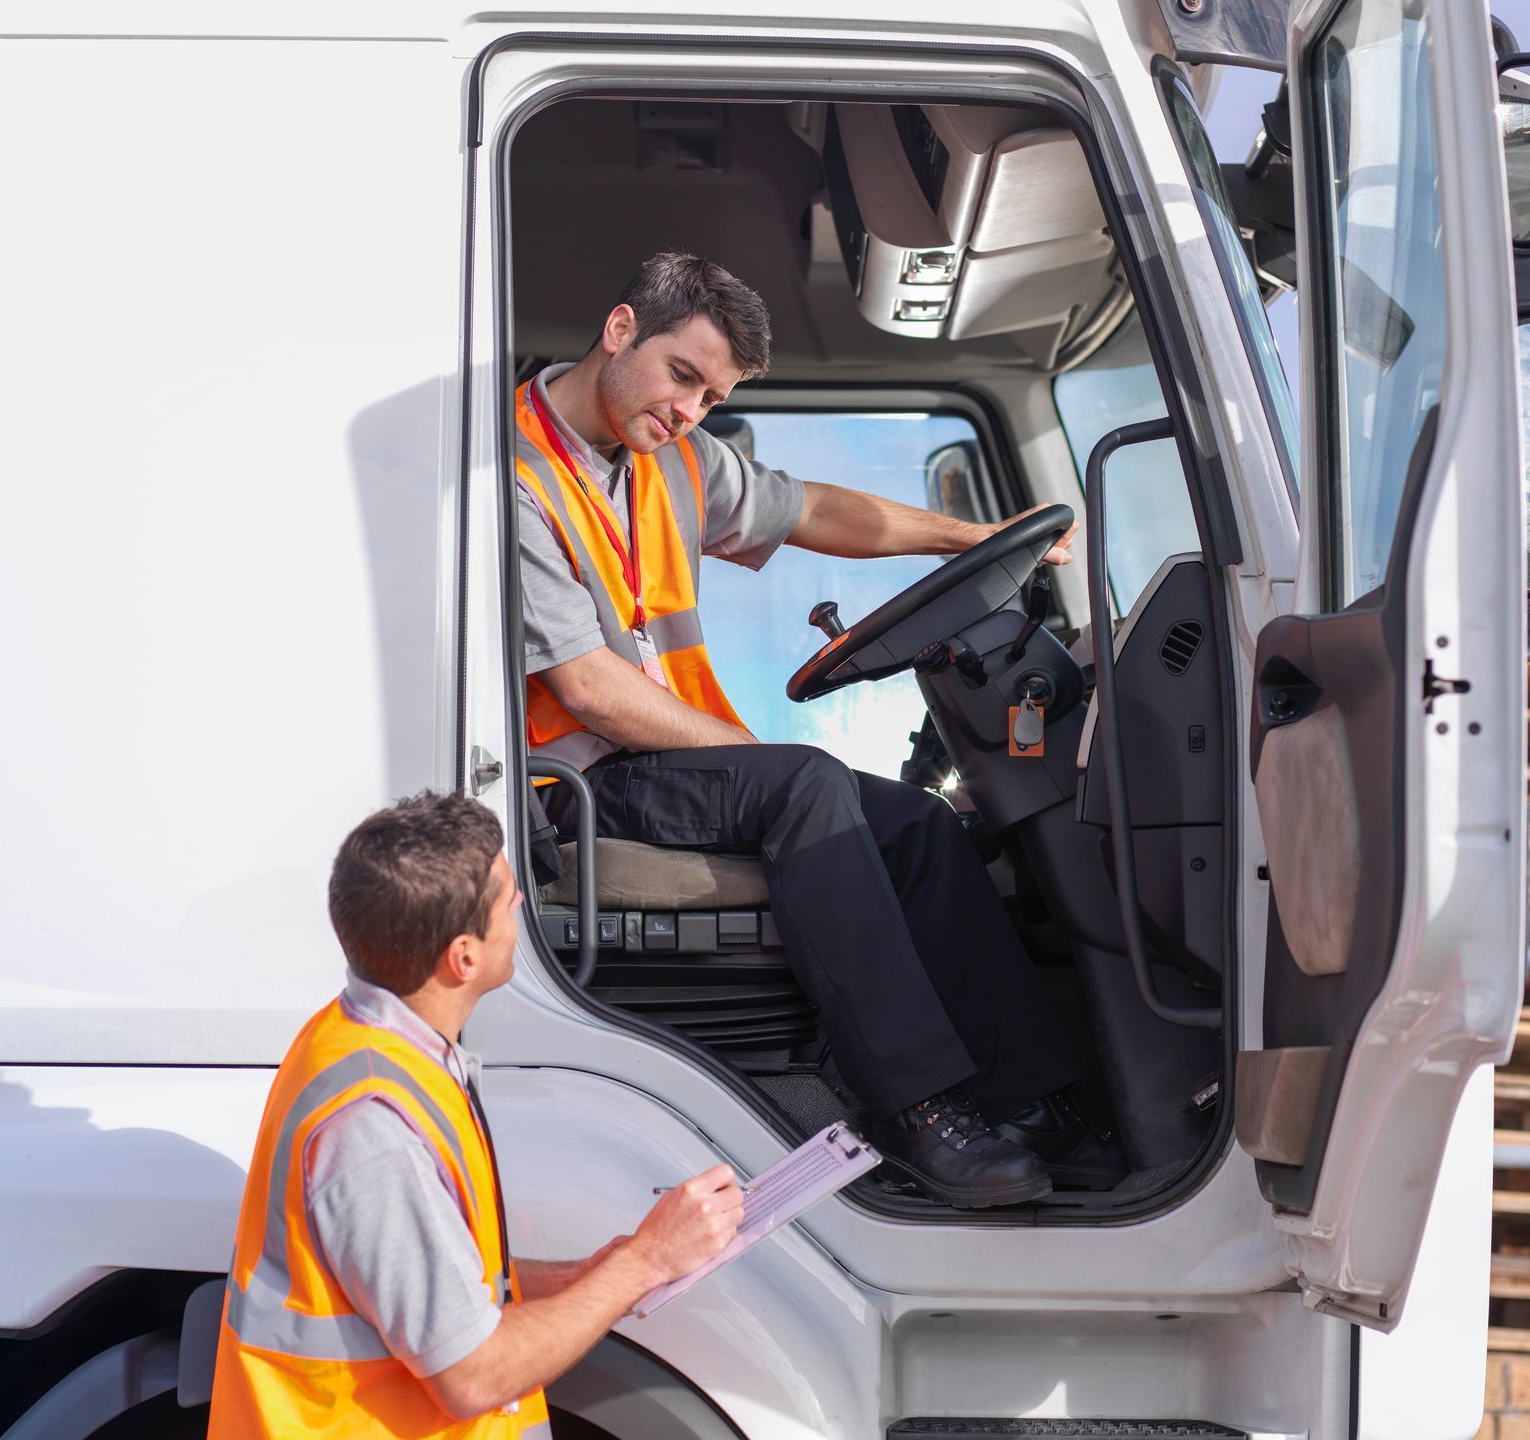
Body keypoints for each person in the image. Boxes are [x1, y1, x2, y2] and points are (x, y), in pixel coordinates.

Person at [517, 250, 1115, 1209]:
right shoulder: (517, 476)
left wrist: (972, 536)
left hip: (666, 763)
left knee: (919, 824)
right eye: (682, 377)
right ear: (621, 329)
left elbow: (816, 512)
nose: (689, 412)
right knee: (805, 785)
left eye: (711, 398)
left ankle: (1038, 1105)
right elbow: (591, 690)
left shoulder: (671, 458)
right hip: (579, 785)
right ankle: (917, 1112)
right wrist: (766, 757)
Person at [208, 792, 744, 1437]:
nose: (521, 903)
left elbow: (430, 1287)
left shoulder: (368, 1045)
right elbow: (473, 1375)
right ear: (463, 957)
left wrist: (586, 1276)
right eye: (508, 896)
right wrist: (647, 1263)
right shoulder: (377, 1131)